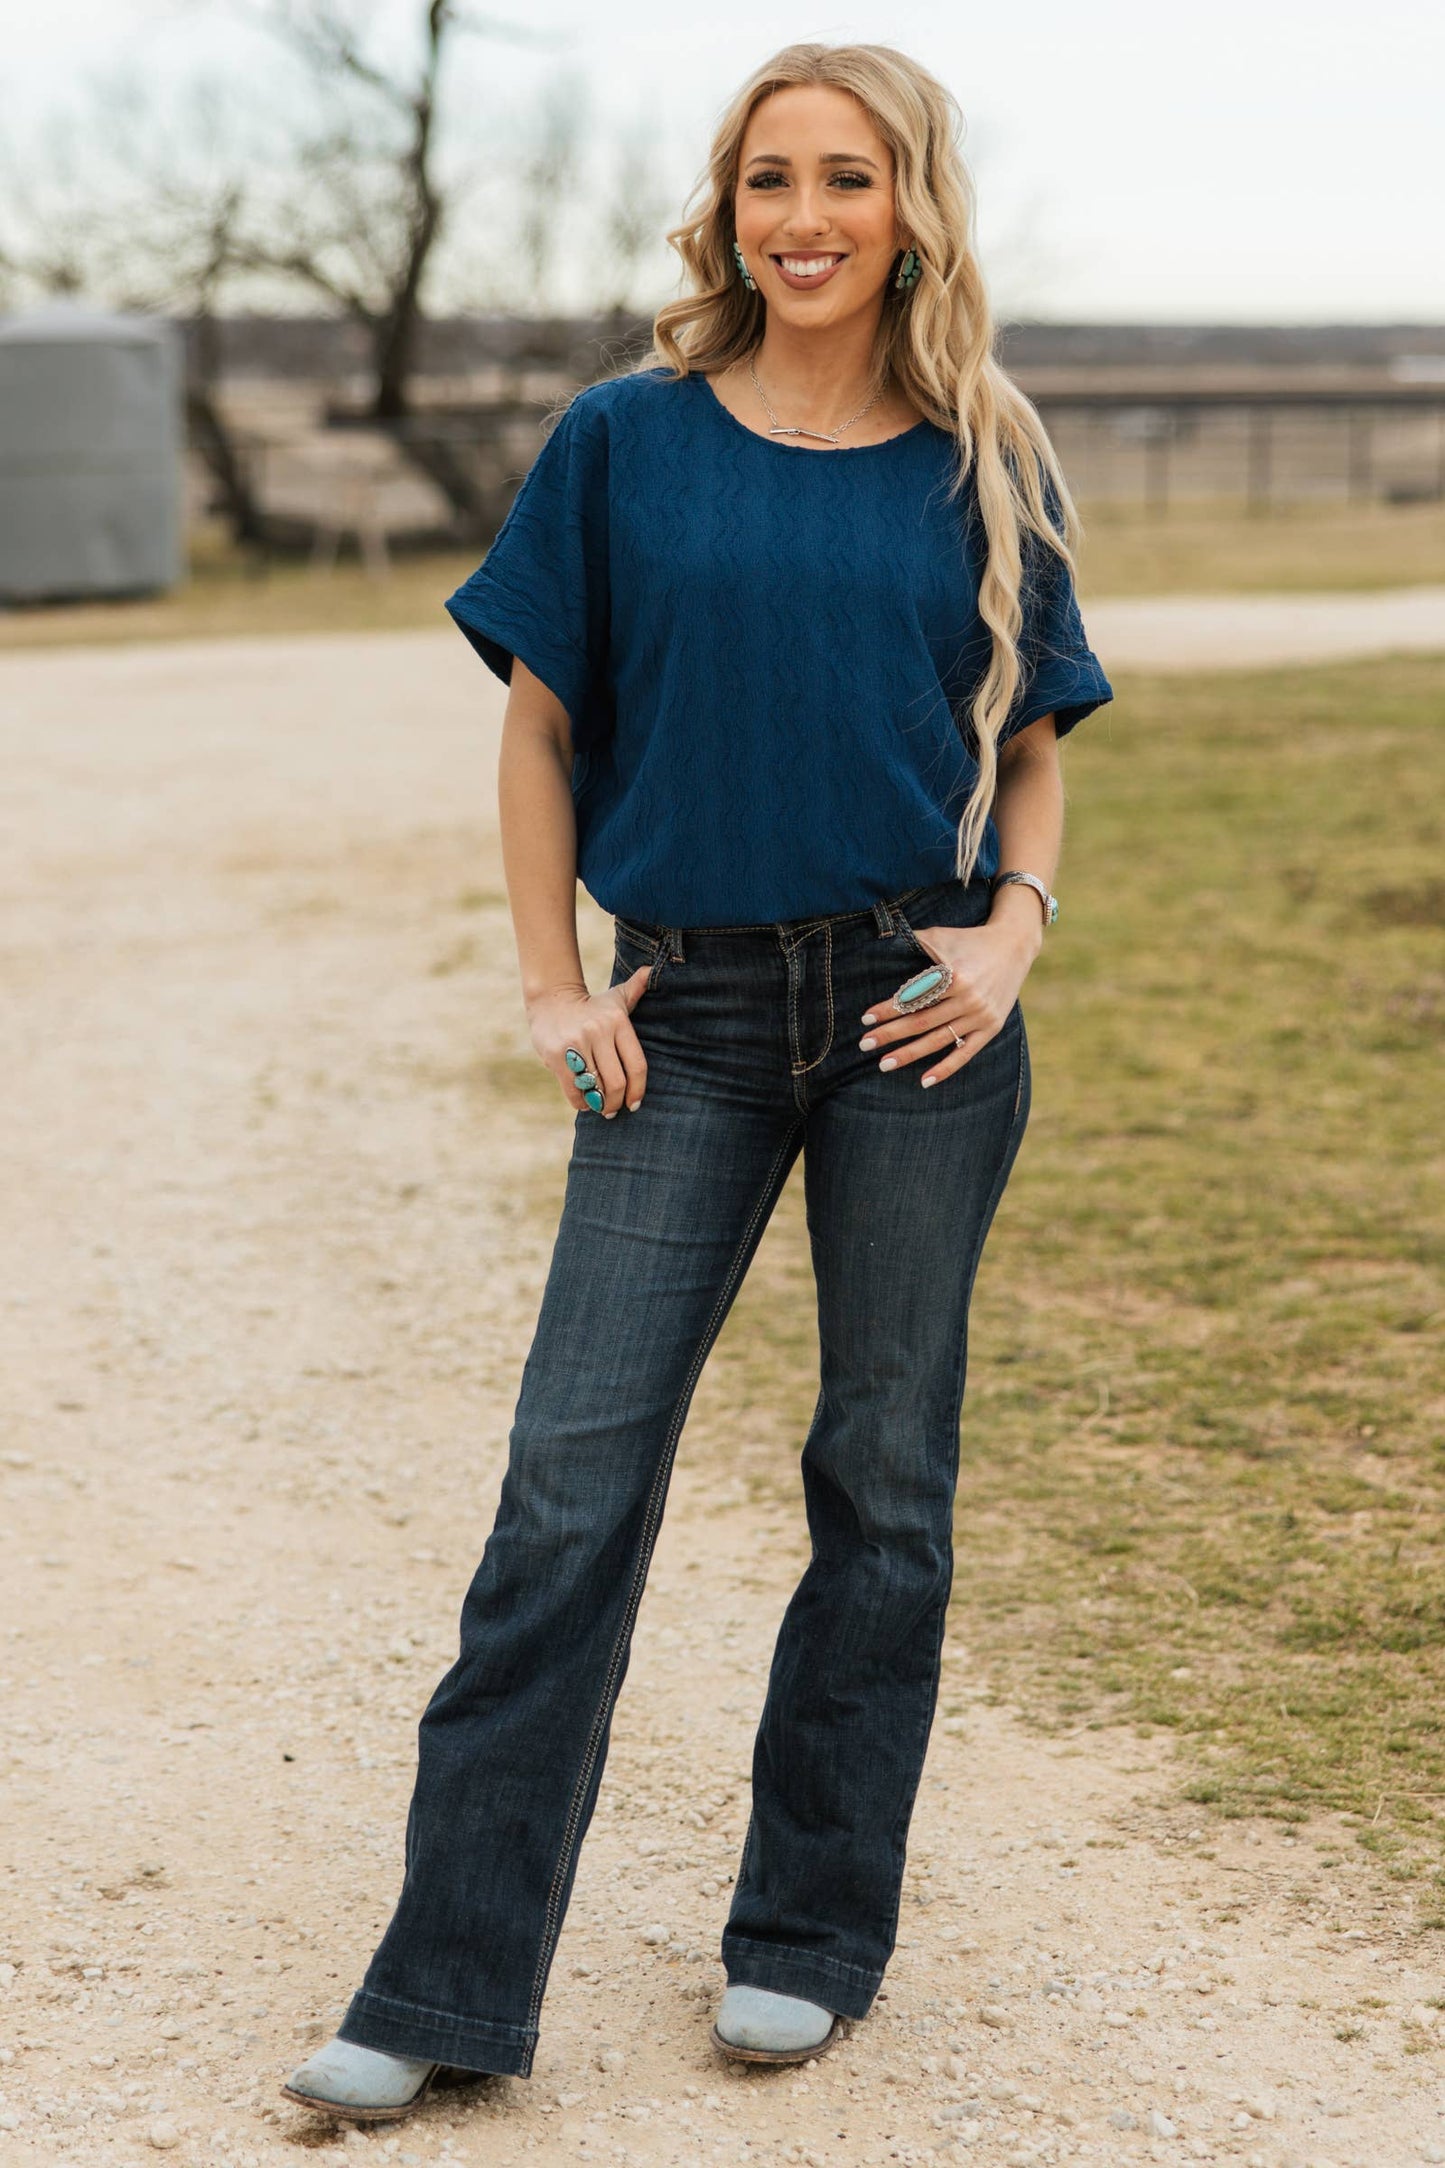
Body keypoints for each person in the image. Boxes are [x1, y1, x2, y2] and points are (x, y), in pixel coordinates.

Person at [282, 37, 1111, 2126]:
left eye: (846, 178)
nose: (805, 218)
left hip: (922, 1027)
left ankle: (809, 1934)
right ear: (724, 210)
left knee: (883, 1486)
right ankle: (445, 1983)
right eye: (769, 181)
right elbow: (543, 728)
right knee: (569, 1487)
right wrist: (558, 981)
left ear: (912, 201)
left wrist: (1013, 932)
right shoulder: (622, 443)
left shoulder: (985, 452)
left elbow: (1033, 735)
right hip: (697, 1023)